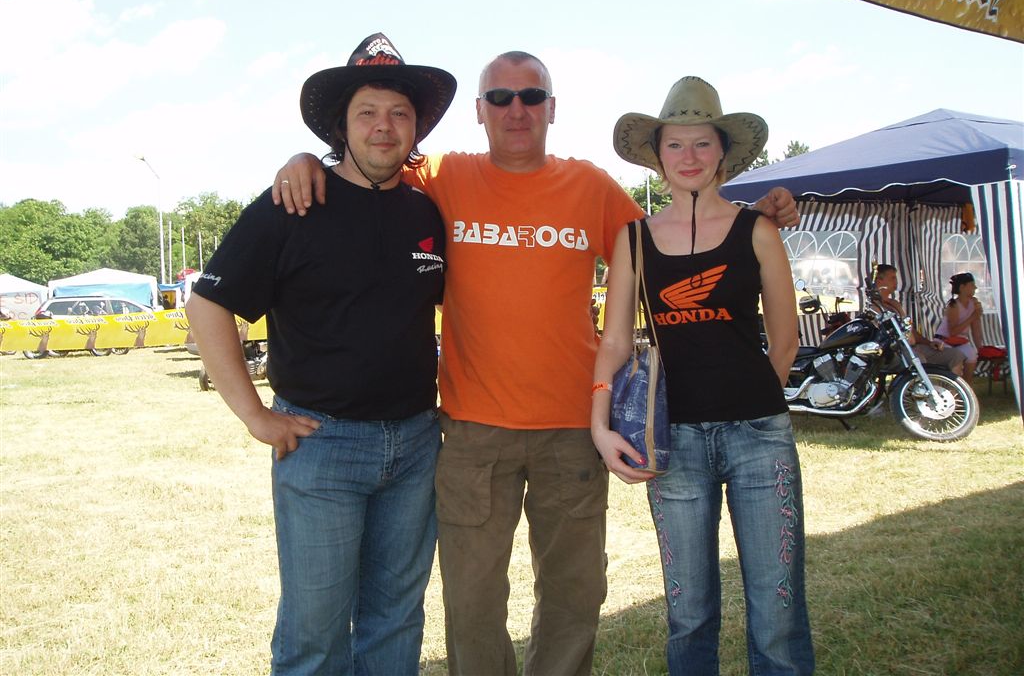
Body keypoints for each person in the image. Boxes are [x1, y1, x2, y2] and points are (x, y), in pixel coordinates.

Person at [273, 52, 800, 676]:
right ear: (479, 111)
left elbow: (679, 239)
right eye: (500, 98)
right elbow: (369, 159)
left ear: (552, 108)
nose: (515, 110)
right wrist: (307, 160)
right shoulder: (442, 174)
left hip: (573, 430)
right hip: (473, 432)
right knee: (472, 602)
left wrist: (758, 213)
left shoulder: (590, 186)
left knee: (575, 596)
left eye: (531, 97)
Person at [186, 33, 455, 675]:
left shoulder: (428, 213)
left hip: (418, 442)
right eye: (368, 112)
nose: (384, 126)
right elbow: (208, 305)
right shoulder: (292, 205)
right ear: (342, 125)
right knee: (315, 631)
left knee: (397, 619)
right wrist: (256, 416)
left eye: (399, 112)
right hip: (322, 444)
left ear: (416, 127)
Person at [591, 76, 814, 675]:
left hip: (759, 438)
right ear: (657, 154)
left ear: (722, 152)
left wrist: (751, 401)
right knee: (688, 611)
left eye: (701, 144)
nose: (688, 156)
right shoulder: (634, 239)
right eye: (675, 144)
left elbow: (785, 339)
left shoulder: (758, 230)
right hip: (674, 442)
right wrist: (600, 423)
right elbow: (615, 340)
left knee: (778, 605)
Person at [872, 264, 966, 376]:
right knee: (919, 360)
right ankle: (923, 387)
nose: (895, 281)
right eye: (892, 278)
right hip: (898, 351)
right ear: (879, 281)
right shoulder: (874, 307)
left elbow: (911, 330)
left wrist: (929, 343)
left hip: (914, 347)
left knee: (956, 355)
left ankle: (948, 386)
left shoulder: (895, 304)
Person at [935, 272, 983, 384]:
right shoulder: (953, 305)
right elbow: (953, 332)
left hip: (960, 341)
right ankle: (953, 388)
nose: (975, 288)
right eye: (972, 285)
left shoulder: (974, 303)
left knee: (972, 356)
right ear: (962, 287)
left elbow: (976, 328)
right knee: (957, 360)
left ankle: (967, 387)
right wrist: (972, 317)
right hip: (944, 341)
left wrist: (980, 348)